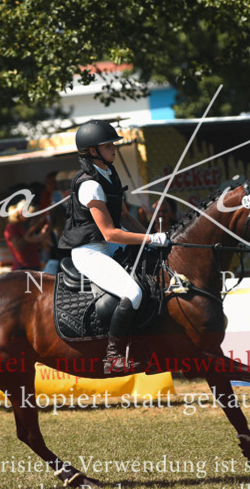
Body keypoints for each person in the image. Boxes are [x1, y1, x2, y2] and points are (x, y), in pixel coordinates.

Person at [58, 120, 170, 374]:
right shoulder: (90, 184)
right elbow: (110, 233)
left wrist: (153, 238)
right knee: (133, 293)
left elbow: (125, 218)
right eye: (107, 145)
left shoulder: (108, 174)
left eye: (113, 144)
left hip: (108, 247)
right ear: (91, 150)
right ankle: (114, 356)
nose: (114, 148)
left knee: (153, 278)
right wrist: (151, 240)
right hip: (89, 252)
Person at [4, 200, 48, 271]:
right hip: (22, 267)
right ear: (20, 212)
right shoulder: (12, 227)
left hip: (33, 265)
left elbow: (37, 245)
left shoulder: (23, 226)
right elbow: (19, 247)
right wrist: (33, 229)